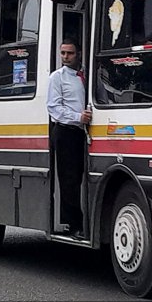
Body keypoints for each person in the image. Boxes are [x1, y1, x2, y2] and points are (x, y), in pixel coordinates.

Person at [47, 39, 92, 239]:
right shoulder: (57, 78)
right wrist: (78, 117)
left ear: (79, 53)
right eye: (63, 53)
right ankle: (74, 225)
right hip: (66, 131)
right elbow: (53, 107)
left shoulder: (88, 75)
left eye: (70, 53)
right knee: (69, 180)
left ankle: (86, 220)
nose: (65, 57)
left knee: (85, 177)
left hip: (85, 133)